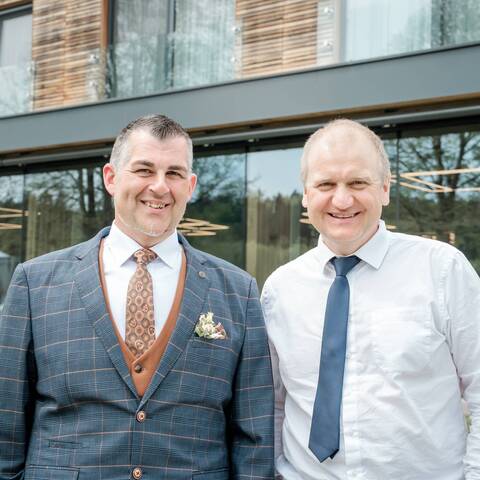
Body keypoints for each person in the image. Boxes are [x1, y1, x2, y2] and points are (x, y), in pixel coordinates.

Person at [0, 114, 274, 480]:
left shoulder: (238, 291)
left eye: (174, 173)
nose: (159, 187)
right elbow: (6, 425)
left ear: (190, 186)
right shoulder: (35, 283)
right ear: (111, 178)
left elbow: (253, 438)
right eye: (144, 170)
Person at [261, 118, 480, 480]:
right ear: (306, 194)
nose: (342, 199)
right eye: (326, 184)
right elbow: (272, 405)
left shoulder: (443, 270)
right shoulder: (279, 290)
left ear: (385, 189)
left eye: (358, 183)